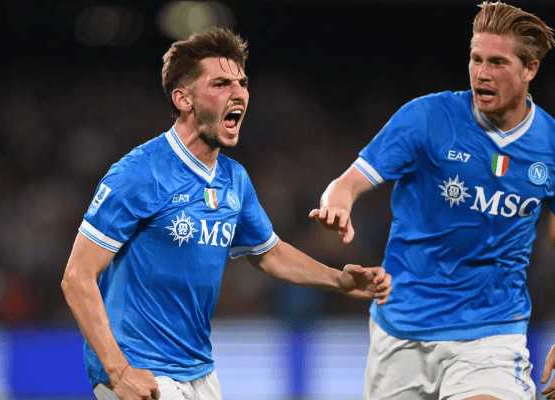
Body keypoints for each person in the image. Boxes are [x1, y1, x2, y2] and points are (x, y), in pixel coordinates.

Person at [61, 27, 392, 400]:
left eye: (242, 83)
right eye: (220, 84)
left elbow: (268, 253)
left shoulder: (234, 179)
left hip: (199, 371)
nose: (238, 93)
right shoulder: (139, 172)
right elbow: (76, 277)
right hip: (141, 368)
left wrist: (339, 281)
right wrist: (118, 370)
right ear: (183, 98)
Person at [310, 2, 555, 399]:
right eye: (476, 59)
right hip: (402, 329)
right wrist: (337, 203)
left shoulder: (550, 145)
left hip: (491, 334)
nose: (482, 73)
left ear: (530, 69)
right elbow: (347, 182)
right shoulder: (426, 117)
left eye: (497, 62)